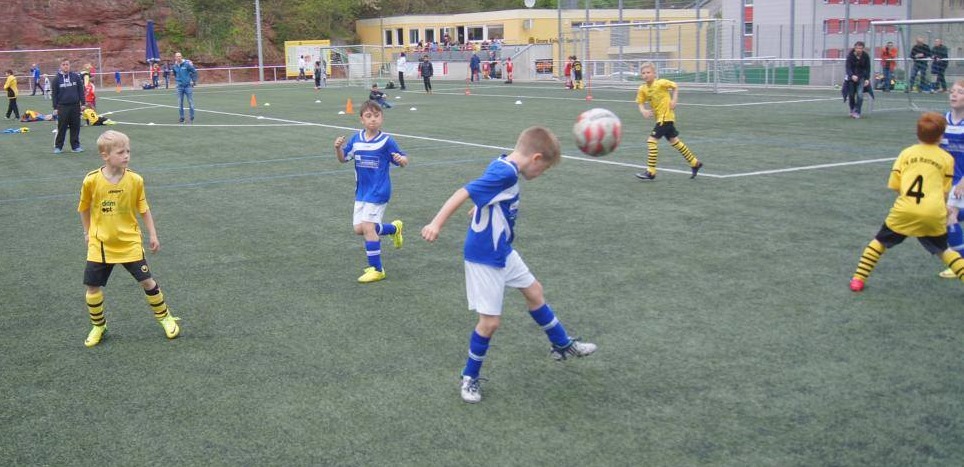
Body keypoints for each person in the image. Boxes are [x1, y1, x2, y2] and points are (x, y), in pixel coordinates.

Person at [420, 126, 597, 404]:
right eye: (545, 169)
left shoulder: (503, 163)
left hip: (503, 251)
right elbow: (464, 191)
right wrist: (436, 223)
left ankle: (562, 344)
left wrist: (481, 207)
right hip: (485, 256)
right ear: (536, 158)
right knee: (489, 323)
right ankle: (469, 377)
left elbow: (486, 193)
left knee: (534, 292)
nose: (542, 175)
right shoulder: (505, 172)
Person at [78, 130, 182, 347]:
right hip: (101, 244)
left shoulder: (135, 180)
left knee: (147, 281)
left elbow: (143, 208)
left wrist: (153, 234)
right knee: (92, 287)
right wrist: (88, 232)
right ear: (105, 155)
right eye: (120, 152)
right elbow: (84, 208)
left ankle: (165, 318)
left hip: (129, 242)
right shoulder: (91, 180)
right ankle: (99, 326)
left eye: (128, 151)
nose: (126, 155)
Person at [850, 113, 964, 291]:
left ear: (917, 134)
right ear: (942, 136)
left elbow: (895, 184)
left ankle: (858, 279)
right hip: (933, 212)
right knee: (944, 251)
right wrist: (943, 208)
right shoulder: (946, 158)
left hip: (905, 210)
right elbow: (944, 190)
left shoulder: (906, 153)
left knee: (879, 242)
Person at [333, 100, 408, 283]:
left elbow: (404, 160)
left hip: (379, 191)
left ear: (382, 118)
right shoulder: (356, 139)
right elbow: (344, 159)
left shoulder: (386, 141)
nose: (373, 120)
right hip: (362, 192)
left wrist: (401, 159)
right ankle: (394, 228)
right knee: (359, 229)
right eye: (368, 116)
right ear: (361, 120)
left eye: (376, 116)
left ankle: (377, 269)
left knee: (367, 226)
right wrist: (338, 148)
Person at [633, 62, 703, 181]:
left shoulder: (661, 83)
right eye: (643, 73)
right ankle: (695, 162)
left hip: (665, 117)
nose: (646, 75)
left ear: (654, 74)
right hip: (661, 118)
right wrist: (643, 110)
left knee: (651, 141)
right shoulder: (642, 88)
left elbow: (675, 86)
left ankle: (651, 171)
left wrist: (674, 100)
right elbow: (640, 101)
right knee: (674, 141)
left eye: (648, 72)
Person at [939, 80, 964, 279]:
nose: (954, 95)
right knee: (944, 215)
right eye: (952, 91)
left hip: (961, 182)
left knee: (950, 216)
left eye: (960, 92)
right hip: (948, 182)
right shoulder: (942, 121)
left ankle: (960, 263)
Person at [51, 59, 85, 153]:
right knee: (62, 127)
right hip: (62, 107)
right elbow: (54, 94)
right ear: (61, 66)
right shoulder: (56, 79)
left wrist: (83, 103)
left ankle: (75, 146)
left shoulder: (76, 77)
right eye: (64, 64)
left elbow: (81, 91)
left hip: (75, 106)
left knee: (75, 126)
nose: (66, 66)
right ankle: (58, 147)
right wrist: (55, 108)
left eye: (67, 64)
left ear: (69, 66)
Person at [844, 41, 871, 119]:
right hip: (851, 79)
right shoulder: (850, 56)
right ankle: (852, 109)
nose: (859, 50)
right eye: (857, 48)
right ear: (854, 48)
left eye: (861, 48)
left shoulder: (866, 56)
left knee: (860, 95)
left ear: (863, 49)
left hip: (861, 78)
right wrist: (852, 75)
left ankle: (857, 112)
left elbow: (868, 68)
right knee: (851, 95)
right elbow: (848, 68)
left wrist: (867, 79)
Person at [171, 52, 197, 124]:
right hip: (179, 87)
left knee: (190, 102)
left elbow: (194, 71)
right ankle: (182, 118)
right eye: (177, 56)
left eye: (179, 56)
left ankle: (191, 118)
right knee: (180, 103)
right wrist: (178, 81)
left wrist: (193, 81)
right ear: (175, 58)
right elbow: (175, 74)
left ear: (181, 57)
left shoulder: (187, 64)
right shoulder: (174, 66)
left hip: (188, 86)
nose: (178, 57)